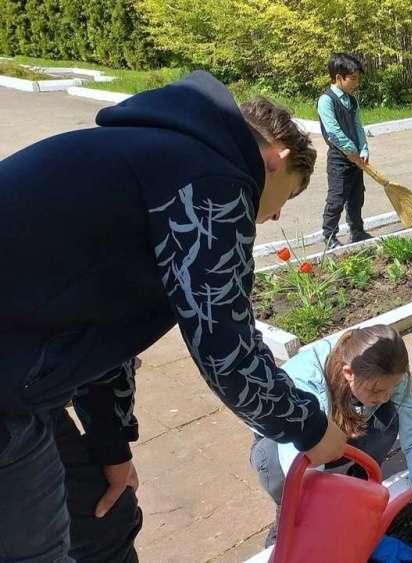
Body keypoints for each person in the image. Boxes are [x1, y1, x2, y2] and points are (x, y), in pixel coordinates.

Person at [0, 71, 348, 562]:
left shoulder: (157, 152)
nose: (270, 219)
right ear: (276, 159)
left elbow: (101, 327)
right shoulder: (213, 180)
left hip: (22, 367)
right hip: (11, 380)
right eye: (285, 199)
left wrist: (112, 446)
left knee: (105, 520)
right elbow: (226, 351)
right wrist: (311, 428)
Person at [250, 325, 412, 560]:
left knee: (388, 416)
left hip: (335, 434)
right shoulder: (309, 386)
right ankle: (286, 521)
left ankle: (351, 496)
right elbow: (305, 479)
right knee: (297, 516)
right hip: (281, 450)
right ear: (348, 373)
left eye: (392, 388)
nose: (386, 396)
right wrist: (366, 540)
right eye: (377, 390)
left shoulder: (385, 369)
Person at [319, 52, 373, 248]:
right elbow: (333, 132)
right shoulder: (326, 101)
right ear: (339, 78)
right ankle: (329, 237)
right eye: (353, 79)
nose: (356, 83)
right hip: (339, 159)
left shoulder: (352, 101)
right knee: (337, 197)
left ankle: (357, 231)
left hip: (357, 158)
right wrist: (351, 152)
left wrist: (363, 149)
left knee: (357, 196)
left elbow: (358, 126)